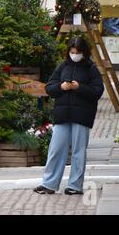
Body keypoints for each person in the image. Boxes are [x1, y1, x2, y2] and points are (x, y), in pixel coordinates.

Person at [34, 37, 104, 195]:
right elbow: (49, 88)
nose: (75, 55)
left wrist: (79, 87)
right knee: (56, 149)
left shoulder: (91, 68)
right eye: (72, 52)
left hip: (82, 115)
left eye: (78, 52)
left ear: (84, 53)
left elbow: (97, 91)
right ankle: (49, 184)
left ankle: (75, 185)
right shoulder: (62, 66)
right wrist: (62, 86)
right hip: (62, 115)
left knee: (79, 151)